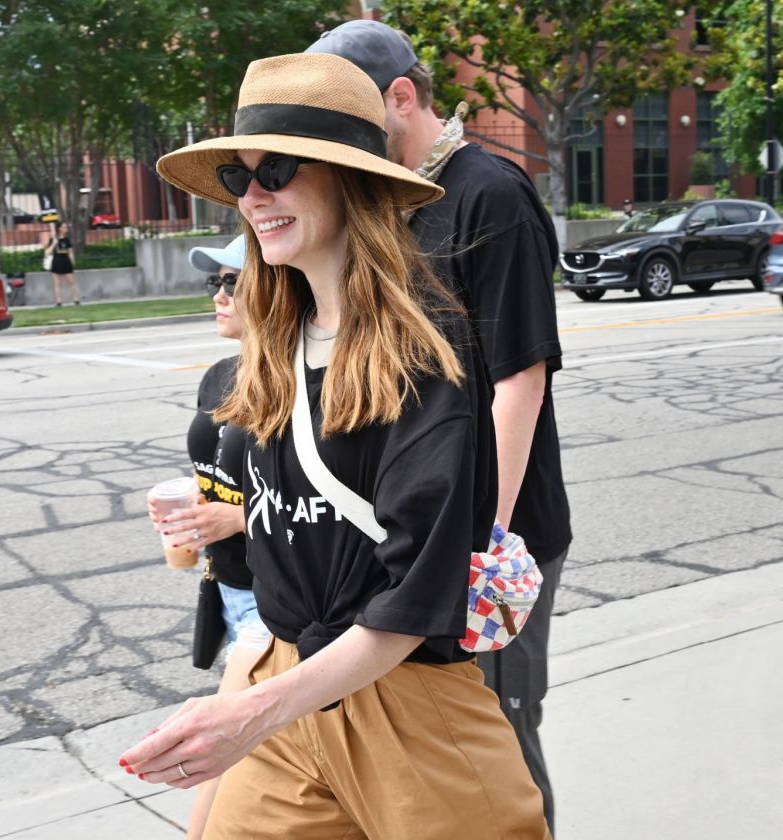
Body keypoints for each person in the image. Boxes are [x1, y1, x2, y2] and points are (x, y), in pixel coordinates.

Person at [120, 52, 549, 839]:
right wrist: (228, 512)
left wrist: (252, 713)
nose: (252, 195)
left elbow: (411, 600)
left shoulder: (423, 360)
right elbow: (310, 516)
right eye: (237, 177)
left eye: (276, 169)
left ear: (350, 181)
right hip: (282, 680)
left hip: (406, 706)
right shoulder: (274, 346)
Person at [308, 20, 572, 833]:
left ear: (401, 97)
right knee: (428, 743)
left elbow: (519, 381)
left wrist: (476, 544)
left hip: (492, 538)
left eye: (349, 121)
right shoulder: (385, 197)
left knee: (496, 739)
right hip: (411, 532)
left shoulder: (488, 193)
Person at [150, 234, 272, 839]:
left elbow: (328, 505)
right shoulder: (221, 375)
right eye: (214, 284)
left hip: (275, 601)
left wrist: (239, 517)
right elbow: (215, 477)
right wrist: (193, 516)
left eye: (232, 282)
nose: (218, 296)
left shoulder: (299, 380)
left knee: (220, 757)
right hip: (227, 588)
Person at [45, 222, 79, 306]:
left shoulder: (67, 240)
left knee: (71, 281)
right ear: (59, 228)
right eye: (64, 227)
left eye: (66, 227)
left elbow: (70, 252)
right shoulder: (53, 239)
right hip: (57, 261)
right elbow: (47, 253)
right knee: (58, 283)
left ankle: (76, 299)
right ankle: (59, 301)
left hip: (66, 261)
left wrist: (72, 261)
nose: (66, 229)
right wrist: (54, 243)